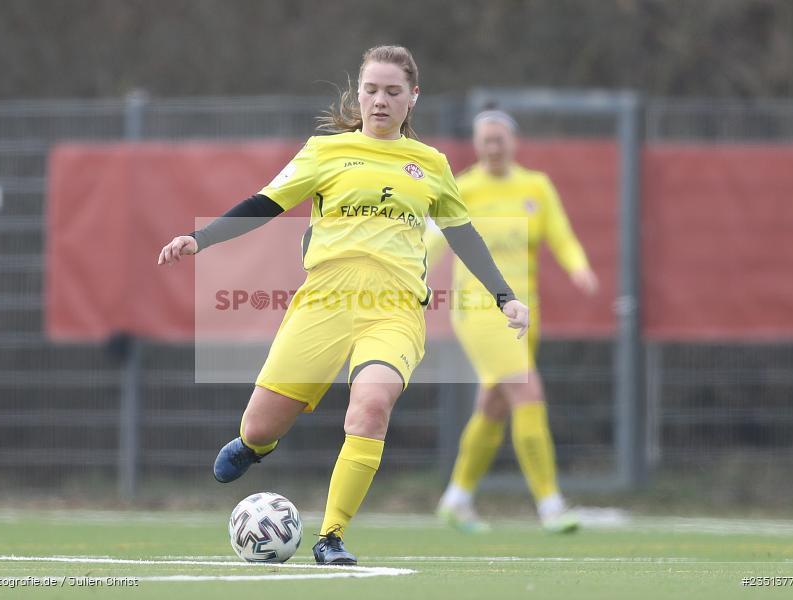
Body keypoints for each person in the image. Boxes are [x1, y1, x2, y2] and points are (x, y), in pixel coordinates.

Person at [158, 46, 530, 565]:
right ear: (359, 93)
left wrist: (506, 298)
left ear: (412, 97)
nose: (380, 101)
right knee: (261, 426)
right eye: (371, 90)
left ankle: (330, 536)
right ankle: (256, 446)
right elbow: (266, 203)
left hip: (394, 310)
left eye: (393, 92)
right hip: (323, 305)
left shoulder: (431, 165)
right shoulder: (325, 151)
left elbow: (463, 235)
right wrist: (201, 238)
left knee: (371, 407)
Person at [430, 109, 598, 534]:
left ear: (513, 142)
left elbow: (561, 235)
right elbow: (433, 241)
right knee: (526, 389)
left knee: (495, 403)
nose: (492, 146)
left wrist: (578, 267)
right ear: (476, 143)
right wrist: (410, 279)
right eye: (485, 139)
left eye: (499, 139)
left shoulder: (535, 186)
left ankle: (456, 500)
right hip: (479, 310)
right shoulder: (462, 188)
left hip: (525, 312)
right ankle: (550, 504)